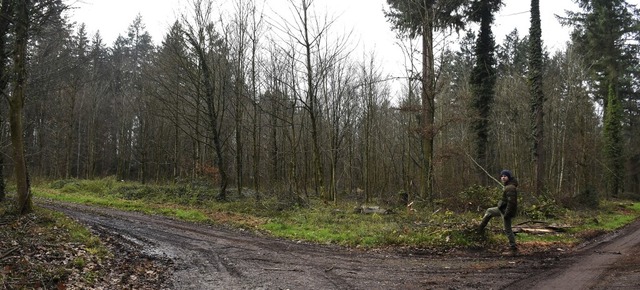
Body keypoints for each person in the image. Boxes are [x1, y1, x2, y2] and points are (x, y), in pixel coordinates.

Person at [478, 169, 518, 252]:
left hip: (506, 211)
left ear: (509, 177)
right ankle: (479, 229)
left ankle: (513, 247)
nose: (503, 178)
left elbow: (512, 203)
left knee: (507, 229)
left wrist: (507, 214)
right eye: (502, 176)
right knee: (489, 211)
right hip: (501, 209)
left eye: (505, 176)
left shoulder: (510, 188)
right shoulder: (507, 186)